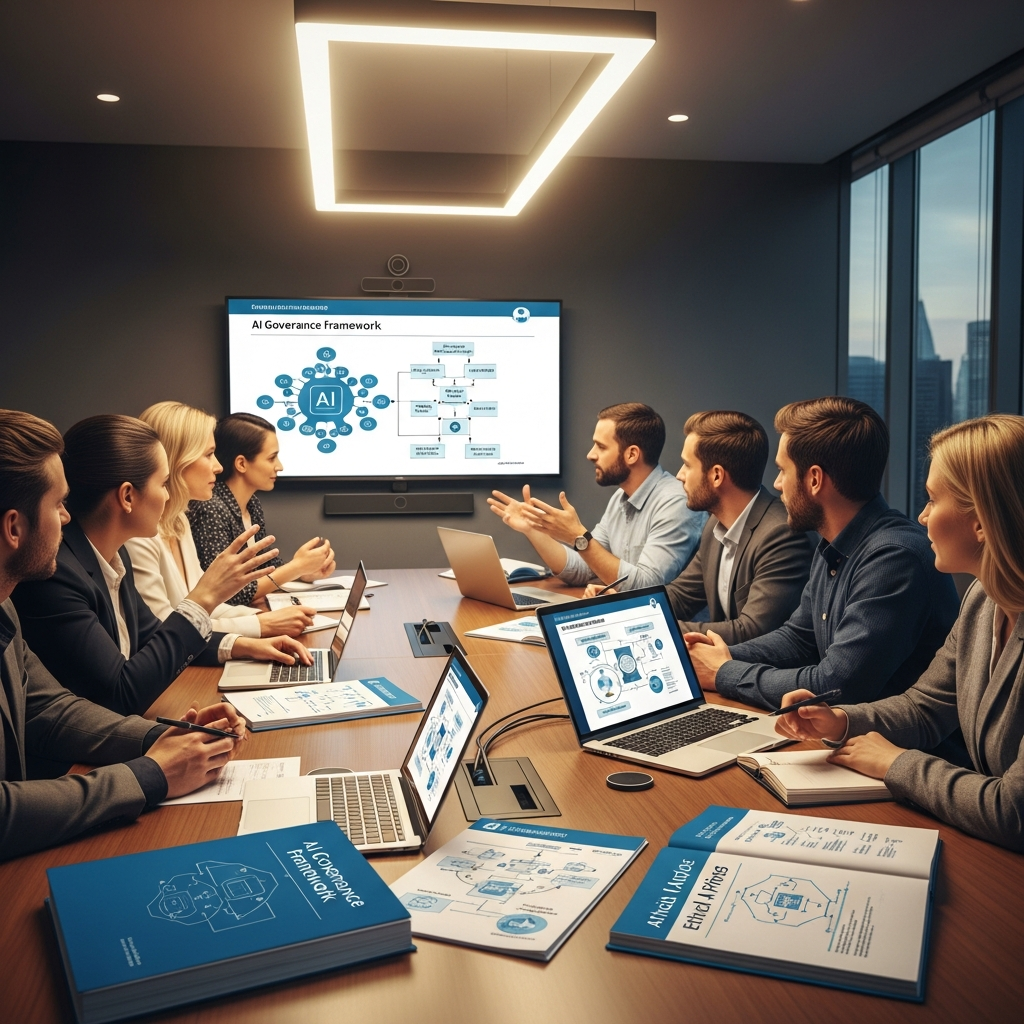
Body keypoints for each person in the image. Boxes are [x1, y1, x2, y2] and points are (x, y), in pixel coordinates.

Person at [0, 409, 250, 862]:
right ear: (14, 528)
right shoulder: (49, 579)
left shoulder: (5, 606)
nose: (66, 516)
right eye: (58, 504)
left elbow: (50, 709)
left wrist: (166, 736)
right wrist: (150, 774)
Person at [775, 414, 1024, 852]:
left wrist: (897, 763)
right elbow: (924, 707)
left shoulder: (900, 555)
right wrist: (841, 721)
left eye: (933, 499)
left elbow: (1013, 810)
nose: (922, 515)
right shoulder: (982, 601)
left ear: (982, 521)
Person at [12, 414, 311, 719]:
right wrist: (202, 599)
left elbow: (154, 635)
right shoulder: (58, 574)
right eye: (164, 483)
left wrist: (242, 646)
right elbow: (121, 694)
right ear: (128, 496)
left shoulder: (114, 554)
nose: (168, 495)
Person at [685, 396, 960, 710]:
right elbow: (799, 638)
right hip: (841, 733)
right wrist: (720, 655)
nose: (777, 484)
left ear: (814, 479)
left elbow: (835, 685)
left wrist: (723, 672)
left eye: (782, 470)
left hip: (886, 739)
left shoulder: (894, 558)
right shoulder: (833, 543)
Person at [127, 402, 316, 639]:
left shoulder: (179, 521)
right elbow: (166, 628)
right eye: (208, 455)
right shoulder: (140, 535)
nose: (218, 466)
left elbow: (207, 605)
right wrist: (261, 624)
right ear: (177, 460)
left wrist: (263, 618)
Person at [487, 403, 705, 592]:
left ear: (632, 454)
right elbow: (583, 569)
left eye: (601, 446)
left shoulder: (676, 502)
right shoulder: (620, 498)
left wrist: (578, 537)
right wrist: (532, 529)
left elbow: (646, 586)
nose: (591, 454)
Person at [666, 410, 812, 643]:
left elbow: (751, 631)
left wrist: (654, 628)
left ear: (716, 476)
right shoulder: (715, 524)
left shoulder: (782, 535)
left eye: (687, 465)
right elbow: (680, 596)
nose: (679, 475)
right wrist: (620, 608)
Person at [189, 413, 336, 604]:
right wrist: (296, 567)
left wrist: (304, 572)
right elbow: (227, 592)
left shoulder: (252, 504)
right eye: (272, 458)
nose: (279, 466)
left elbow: (266, 566)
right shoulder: (210, 508)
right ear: (241, 463)